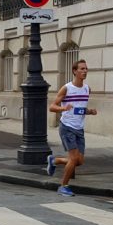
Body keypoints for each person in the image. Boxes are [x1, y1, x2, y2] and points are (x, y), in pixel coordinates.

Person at [46, 60, 97, 196]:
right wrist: (63, 108)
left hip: (79, 128)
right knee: (73, 159)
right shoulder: (67, 88)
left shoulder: (87, 89)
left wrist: (89, 111)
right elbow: (52, 107)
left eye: (86, 69)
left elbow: (79, 109)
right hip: (67, 127)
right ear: (74, 71)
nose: (85, 71)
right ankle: (63, 186)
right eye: (81, 69)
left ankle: (54, 160)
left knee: (79, 161)